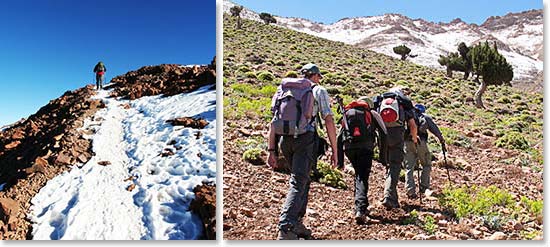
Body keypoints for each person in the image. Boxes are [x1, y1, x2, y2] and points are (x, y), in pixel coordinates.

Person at [267, 63, 338, 240]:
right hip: (305, 140)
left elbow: (273, 121)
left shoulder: (284, 89)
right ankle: (286, 225)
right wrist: (335, 150)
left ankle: (297, 223)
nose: (319, 80)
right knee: (298, 182)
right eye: (319, 76)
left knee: (302, 179)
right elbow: (328, 120)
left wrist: (271, 150)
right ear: (314, 76)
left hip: (285, 140)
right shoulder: (318, 90)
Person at [336, 96, 386, 224]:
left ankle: (360, 204)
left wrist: (340, 161)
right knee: (362, 177)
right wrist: (382, 156)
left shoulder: (347, 113)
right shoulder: (371, 113)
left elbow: (339, 137)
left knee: (359, 175)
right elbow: (383, 133)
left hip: (349, 148)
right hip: (365, 148)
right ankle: (361, 210)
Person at [376, 86, 417, 209]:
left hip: (382, 136)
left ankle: (394, 198)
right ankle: (388, 196)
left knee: (389, 164)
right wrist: (414, 138)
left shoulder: (380, 101)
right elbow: (412, 125)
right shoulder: (403, 103)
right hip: (397, 135)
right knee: (395, 165)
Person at [404, 103, 446, 198]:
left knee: (409, 167)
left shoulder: (407, 116)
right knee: (426, 164)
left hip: (407, 142)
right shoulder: (425, 117)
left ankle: (410, 191)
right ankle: (424, 187)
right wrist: (441, 140)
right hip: (420, 142)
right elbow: (435, 129)